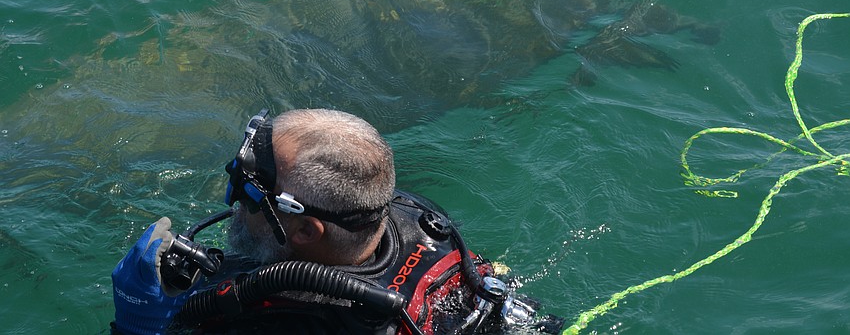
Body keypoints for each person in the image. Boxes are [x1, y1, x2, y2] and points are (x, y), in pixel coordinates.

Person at [112, 108, 550, 334]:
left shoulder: (289, 324)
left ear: (306, 230)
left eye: (248, 195)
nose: (231, 204)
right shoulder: (414, 220)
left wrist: (137, 325)